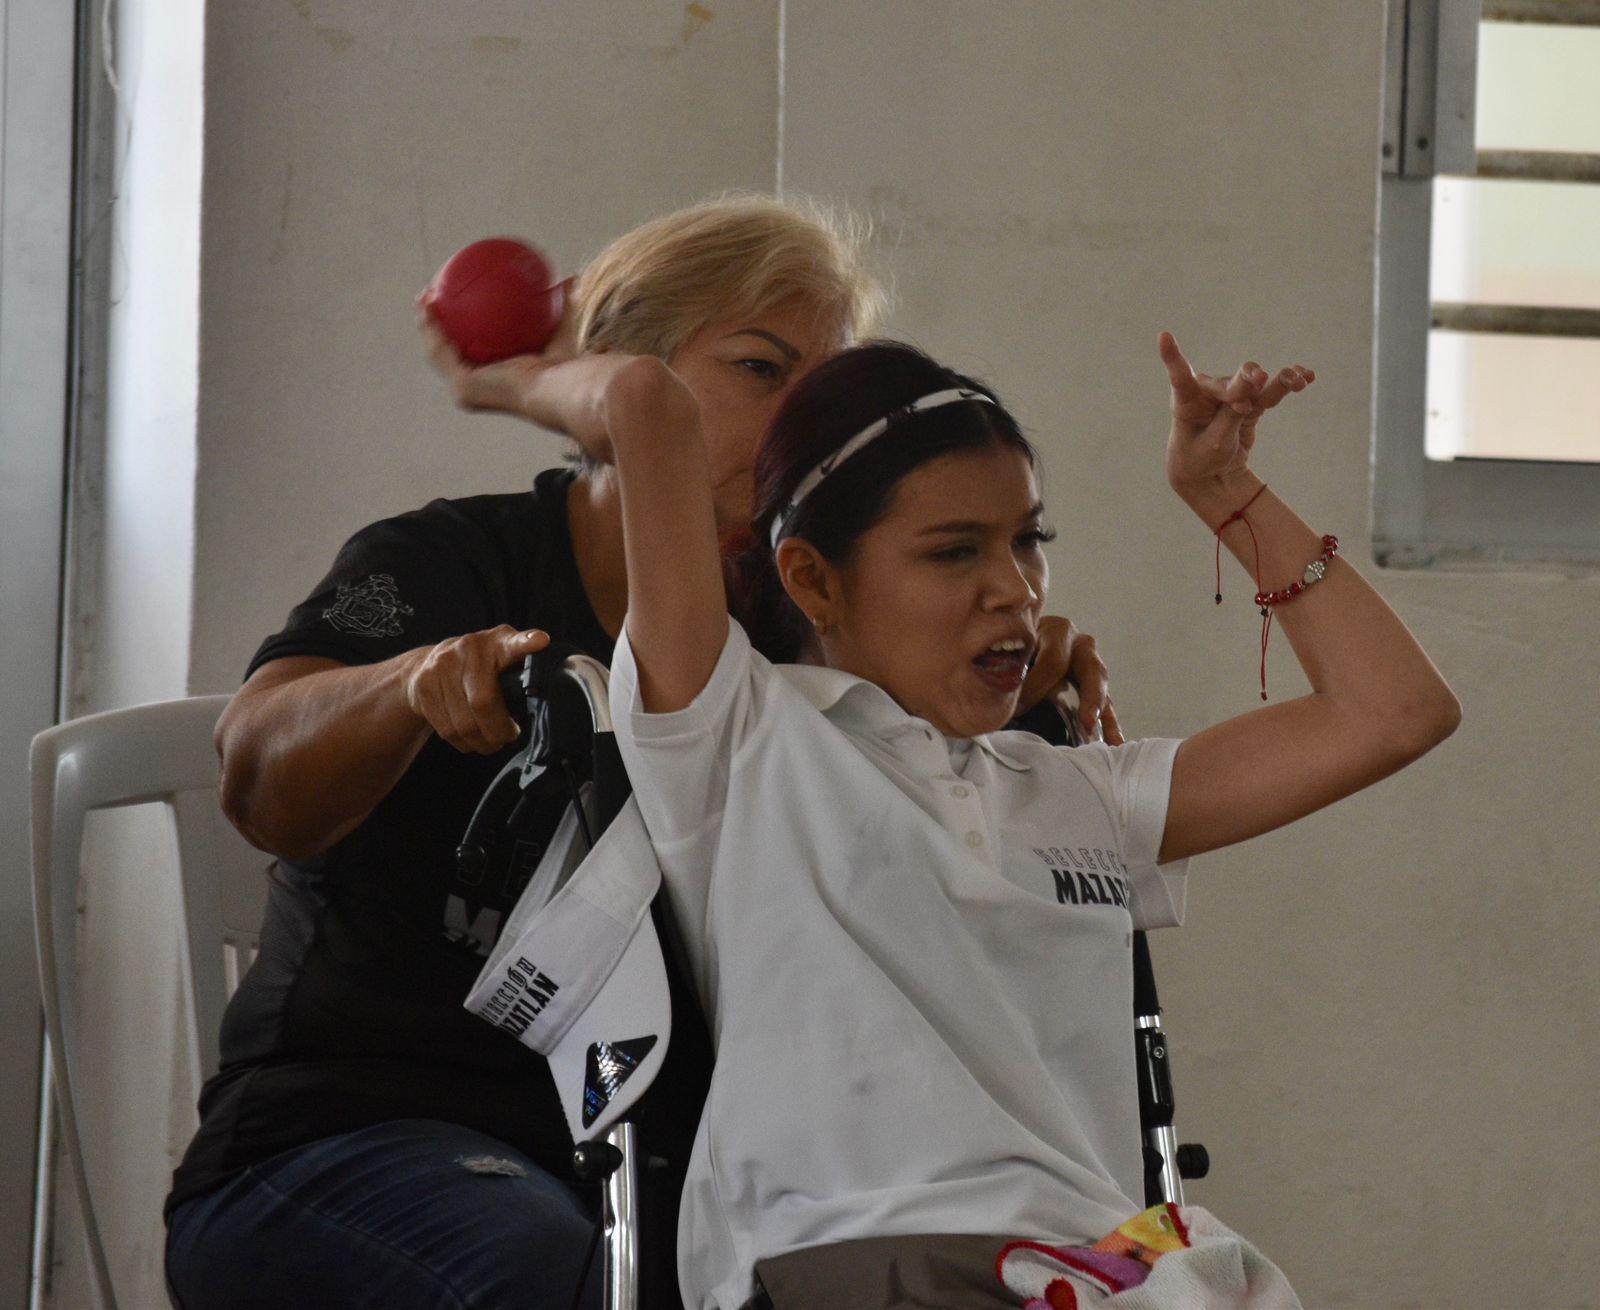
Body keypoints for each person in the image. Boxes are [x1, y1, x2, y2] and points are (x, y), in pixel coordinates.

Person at [163, 194, 1118, 1310]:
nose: (795, 432)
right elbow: (257, 776)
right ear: (618, 381)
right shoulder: (446, 561)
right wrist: (407, 686)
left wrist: (995, 667)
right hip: (351, 1145)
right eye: (762, 371)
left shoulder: (799, 637)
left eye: (821, 395)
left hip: (659, 1181)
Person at [504, 332, 1460, 1308]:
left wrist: (1223, 491)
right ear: (814, 580)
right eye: (955, 550)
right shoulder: (739, 736)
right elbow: (645, 404)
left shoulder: (1079, 790)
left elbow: (1394, 711)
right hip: (859, 1261)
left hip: (1104, 1271)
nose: (1014, 586)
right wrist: (501, 376)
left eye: (1026, 541)